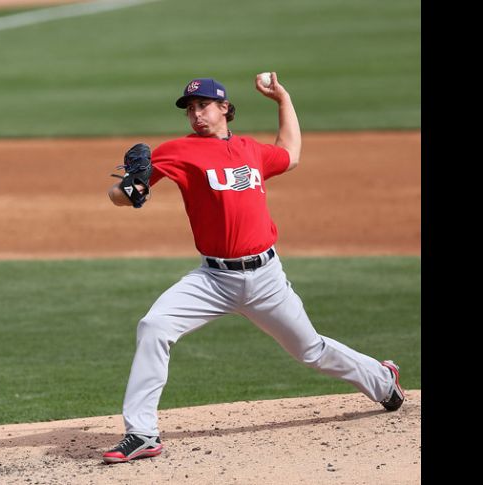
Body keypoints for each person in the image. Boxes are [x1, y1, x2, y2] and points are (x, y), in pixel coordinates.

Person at [102, 75, 405, 464]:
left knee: (310, 350)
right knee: (154, 326)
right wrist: (129, 191)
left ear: (225, 108)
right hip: (213, 280)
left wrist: (283, 99)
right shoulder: (177, 151)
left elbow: (290, 154)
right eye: (190, 108)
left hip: (266, 279)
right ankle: (142, 432)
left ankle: (383, 380)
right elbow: (121, 194)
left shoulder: (251, 150)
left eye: (203, 105)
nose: (196, 114)